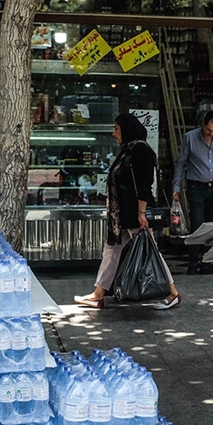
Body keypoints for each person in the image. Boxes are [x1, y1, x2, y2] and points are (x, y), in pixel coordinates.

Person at [74, 113, 182, 310]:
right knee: (111, 250)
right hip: (122, 215)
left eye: (117, 128)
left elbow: (144, 184)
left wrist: (141, 213)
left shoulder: (140, 150)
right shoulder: (128, 150)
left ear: (127, 129)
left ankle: (172, 293)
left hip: (134, 213)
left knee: (151, 252)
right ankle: (98, 295)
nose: (114, 133)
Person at [171, 110, 213, 274]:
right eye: (209, 130)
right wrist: (176, 187)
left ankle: (208, 261)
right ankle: (194, 261)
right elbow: (181, 163)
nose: (211, 133)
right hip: (196, 187)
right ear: (203, 124)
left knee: (212, 225)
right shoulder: (190, 138)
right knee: (197, 224)